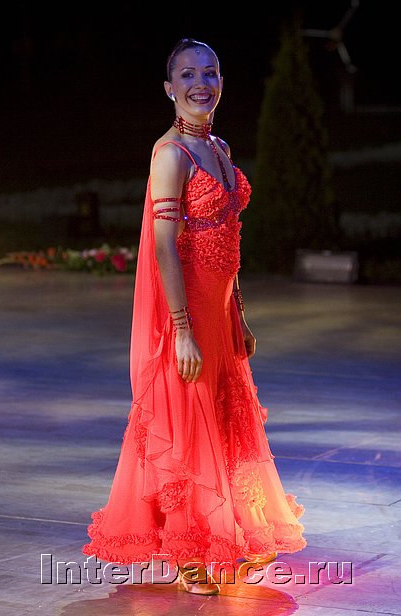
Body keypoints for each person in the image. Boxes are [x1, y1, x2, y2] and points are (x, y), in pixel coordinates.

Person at [83, 38, 306, 595]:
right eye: (187, 74)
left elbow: (229, 242)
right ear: (169, 88)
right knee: (188, 426)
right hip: (185, 313)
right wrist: (182, 330)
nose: (200, 83)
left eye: (210, 73)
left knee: (228, 423)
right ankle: (189, 553)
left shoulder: (220, 148)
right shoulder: (170, 155)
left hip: (220, 310)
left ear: (222, 83)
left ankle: (234, 532)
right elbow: (164, 246)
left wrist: (240, 314)